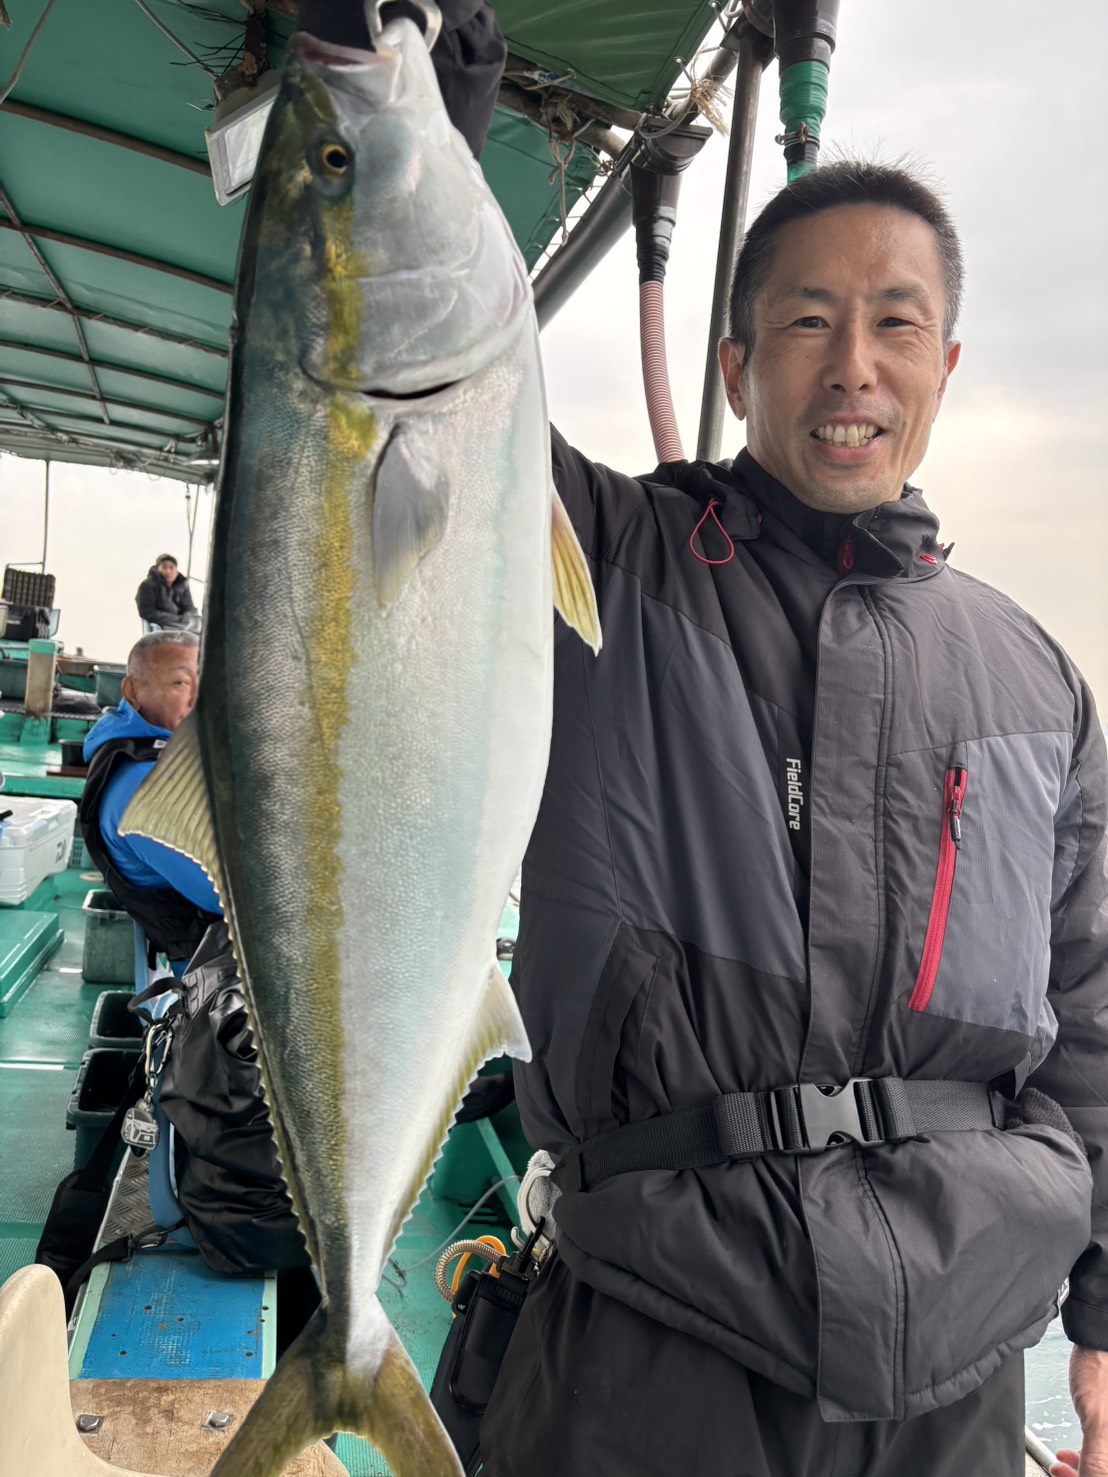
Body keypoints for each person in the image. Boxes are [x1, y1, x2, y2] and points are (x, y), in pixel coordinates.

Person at [470, 162, 1108, 1477]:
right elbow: (431, 398)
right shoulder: (606, 561)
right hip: (655, 1317)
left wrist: (1101, 1312)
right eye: (810, 320)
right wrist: (415, 122)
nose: (854, 365)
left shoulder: (1037, 677)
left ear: (945, 365)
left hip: (963, 1352)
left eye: (896, 324)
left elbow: (1090, 1008)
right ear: (737, 364)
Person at [79, 629, 219, 972]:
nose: (199, 698)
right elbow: (225, 897)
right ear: (132, 691)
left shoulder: (163, 751)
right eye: (180, 683)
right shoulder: (143, 785)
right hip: (220, 969)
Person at [135, 553, 200, 634]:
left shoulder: (182, 585)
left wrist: (186, 618)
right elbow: (147, 612)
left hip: (182, 624)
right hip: (160, 625)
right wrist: (176, 619)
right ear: (157, 569)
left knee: (199, 624)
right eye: (164, 567)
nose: (168, 571)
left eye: (171, 567)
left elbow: (190, 607)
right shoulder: (148, 585)